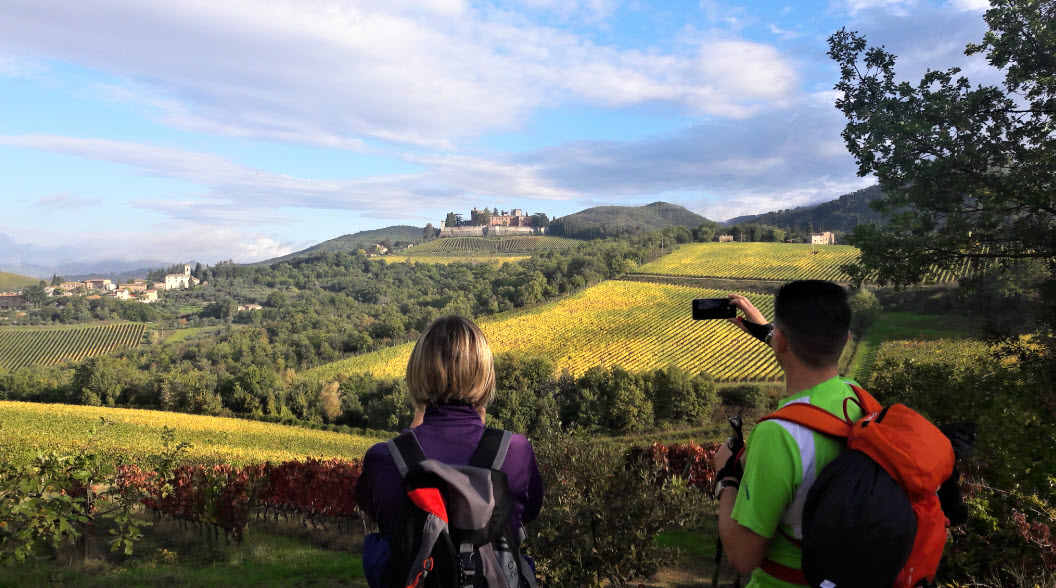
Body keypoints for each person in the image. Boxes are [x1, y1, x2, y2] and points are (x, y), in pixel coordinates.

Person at [355, 315, 544, 585]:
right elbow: (529, 512)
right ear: (485, 374)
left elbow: (377, 514)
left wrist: (410, 436)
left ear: (417, 372)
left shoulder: (383, 459)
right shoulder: (515, 451)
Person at [711, 280, 862, 587]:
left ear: (781, 341)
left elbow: (742, 558)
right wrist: (765, 330)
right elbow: (810, 360)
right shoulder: (856, 397)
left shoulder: (779, 435)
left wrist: (725, 477)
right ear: (846, 340)